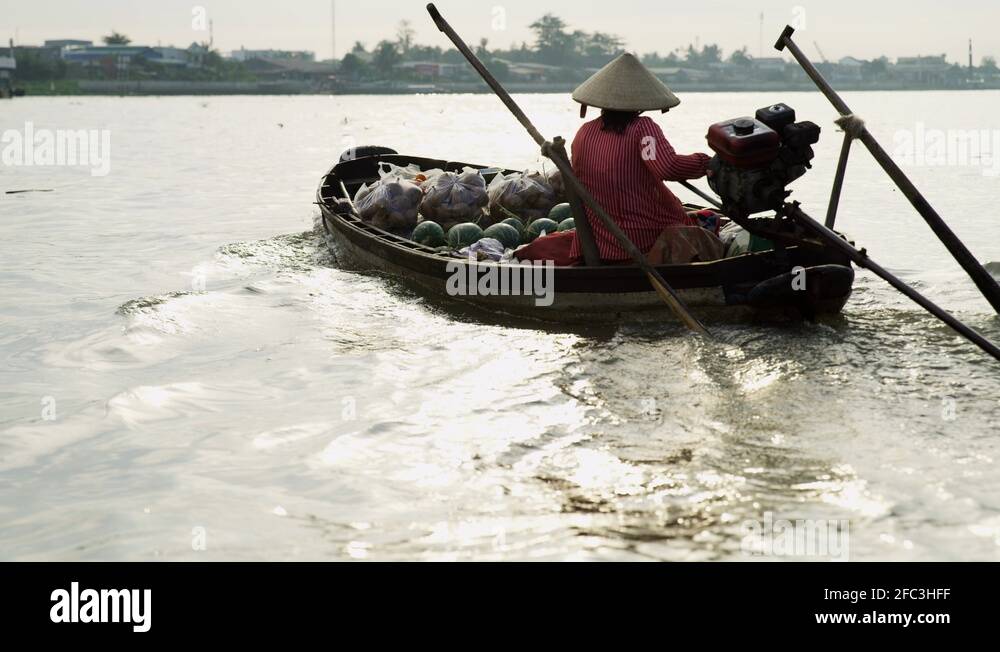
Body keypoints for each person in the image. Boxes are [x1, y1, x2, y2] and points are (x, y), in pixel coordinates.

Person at [569, 53, 717, 264]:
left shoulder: (584, 132)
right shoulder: (642, 129)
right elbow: (666, 167)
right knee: (711, 220)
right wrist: (706, 163)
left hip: (600, 240)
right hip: (641, 239)